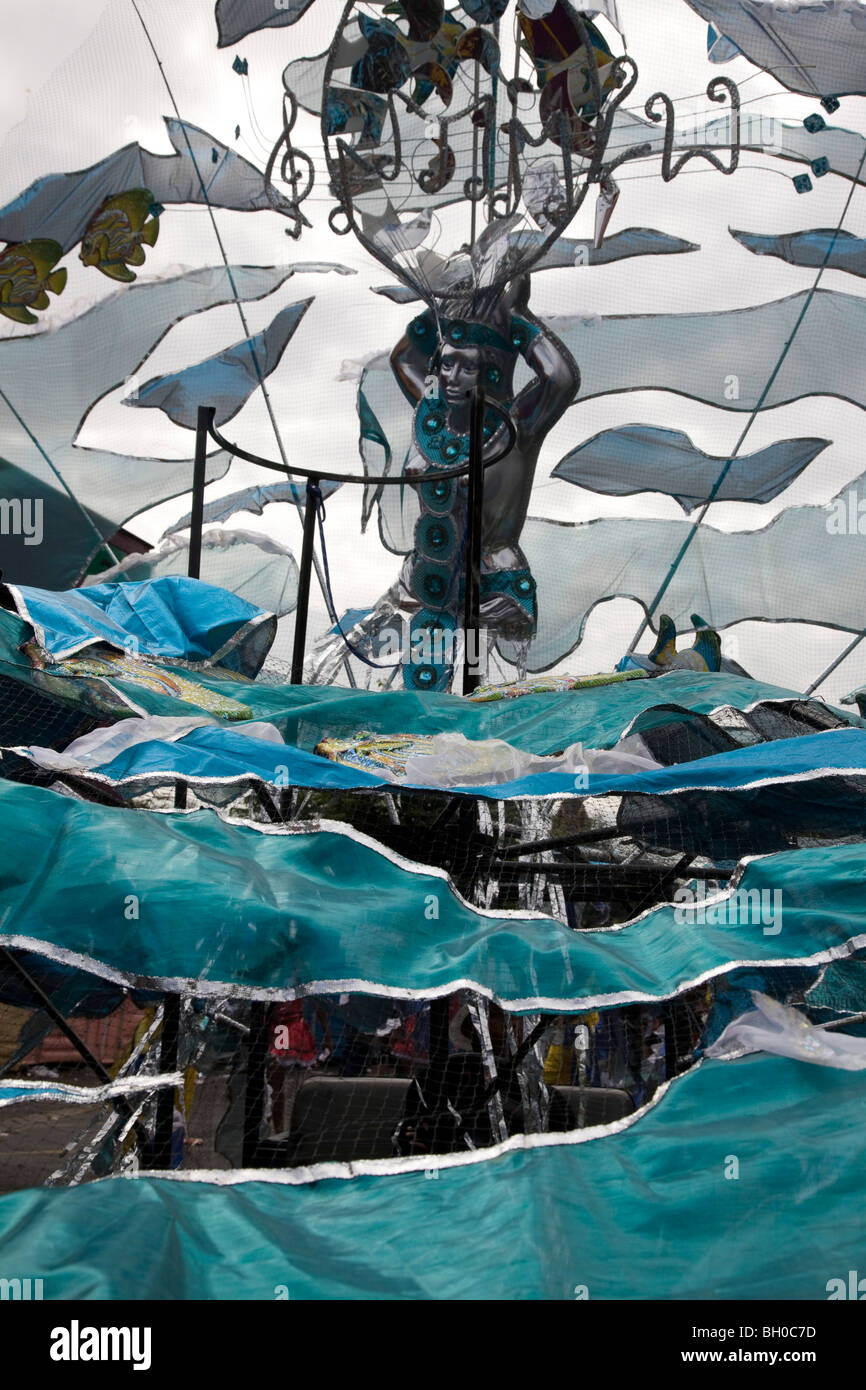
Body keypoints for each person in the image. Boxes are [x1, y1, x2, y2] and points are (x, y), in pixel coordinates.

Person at [307, 273, 579, 689]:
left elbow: (560, 379)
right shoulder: (432, 417)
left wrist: (515, 320)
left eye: (466, 366)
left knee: (474, 691)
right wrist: (445, 309)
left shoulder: (516, 426)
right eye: (446, 362)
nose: (451, 376)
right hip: (429, 581)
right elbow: (405, 360)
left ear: (488, 372)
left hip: (490, 584)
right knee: (421, 689)